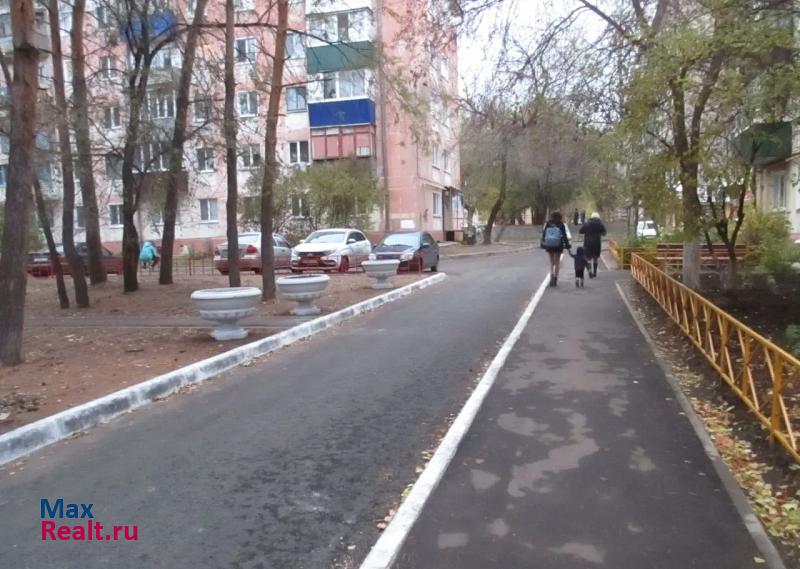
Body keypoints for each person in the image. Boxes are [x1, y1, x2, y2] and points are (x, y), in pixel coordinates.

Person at [541, 211, 570, 286]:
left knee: (551, 262)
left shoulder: (548, 223)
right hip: (558, 245)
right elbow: (564, 235)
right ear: (560, 217)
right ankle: (555, 278)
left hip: (549, 245)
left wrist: (543, 243)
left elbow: (544, 234)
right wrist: (567, 245)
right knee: (557, 262)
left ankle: (551, 276)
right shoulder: (561, 224)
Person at [579, 212, 607, 278]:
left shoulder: (587, 223)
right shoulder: (600, 224)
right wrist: (600, 233)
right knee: (595, 258)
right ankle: (595, 272)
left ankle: (590, 271)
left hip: (588, 243)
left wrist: (586, 231)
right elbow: (604, 233)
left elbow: (580, 231)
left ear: (591, 217)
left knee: (589, 258)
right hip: (597, 243)